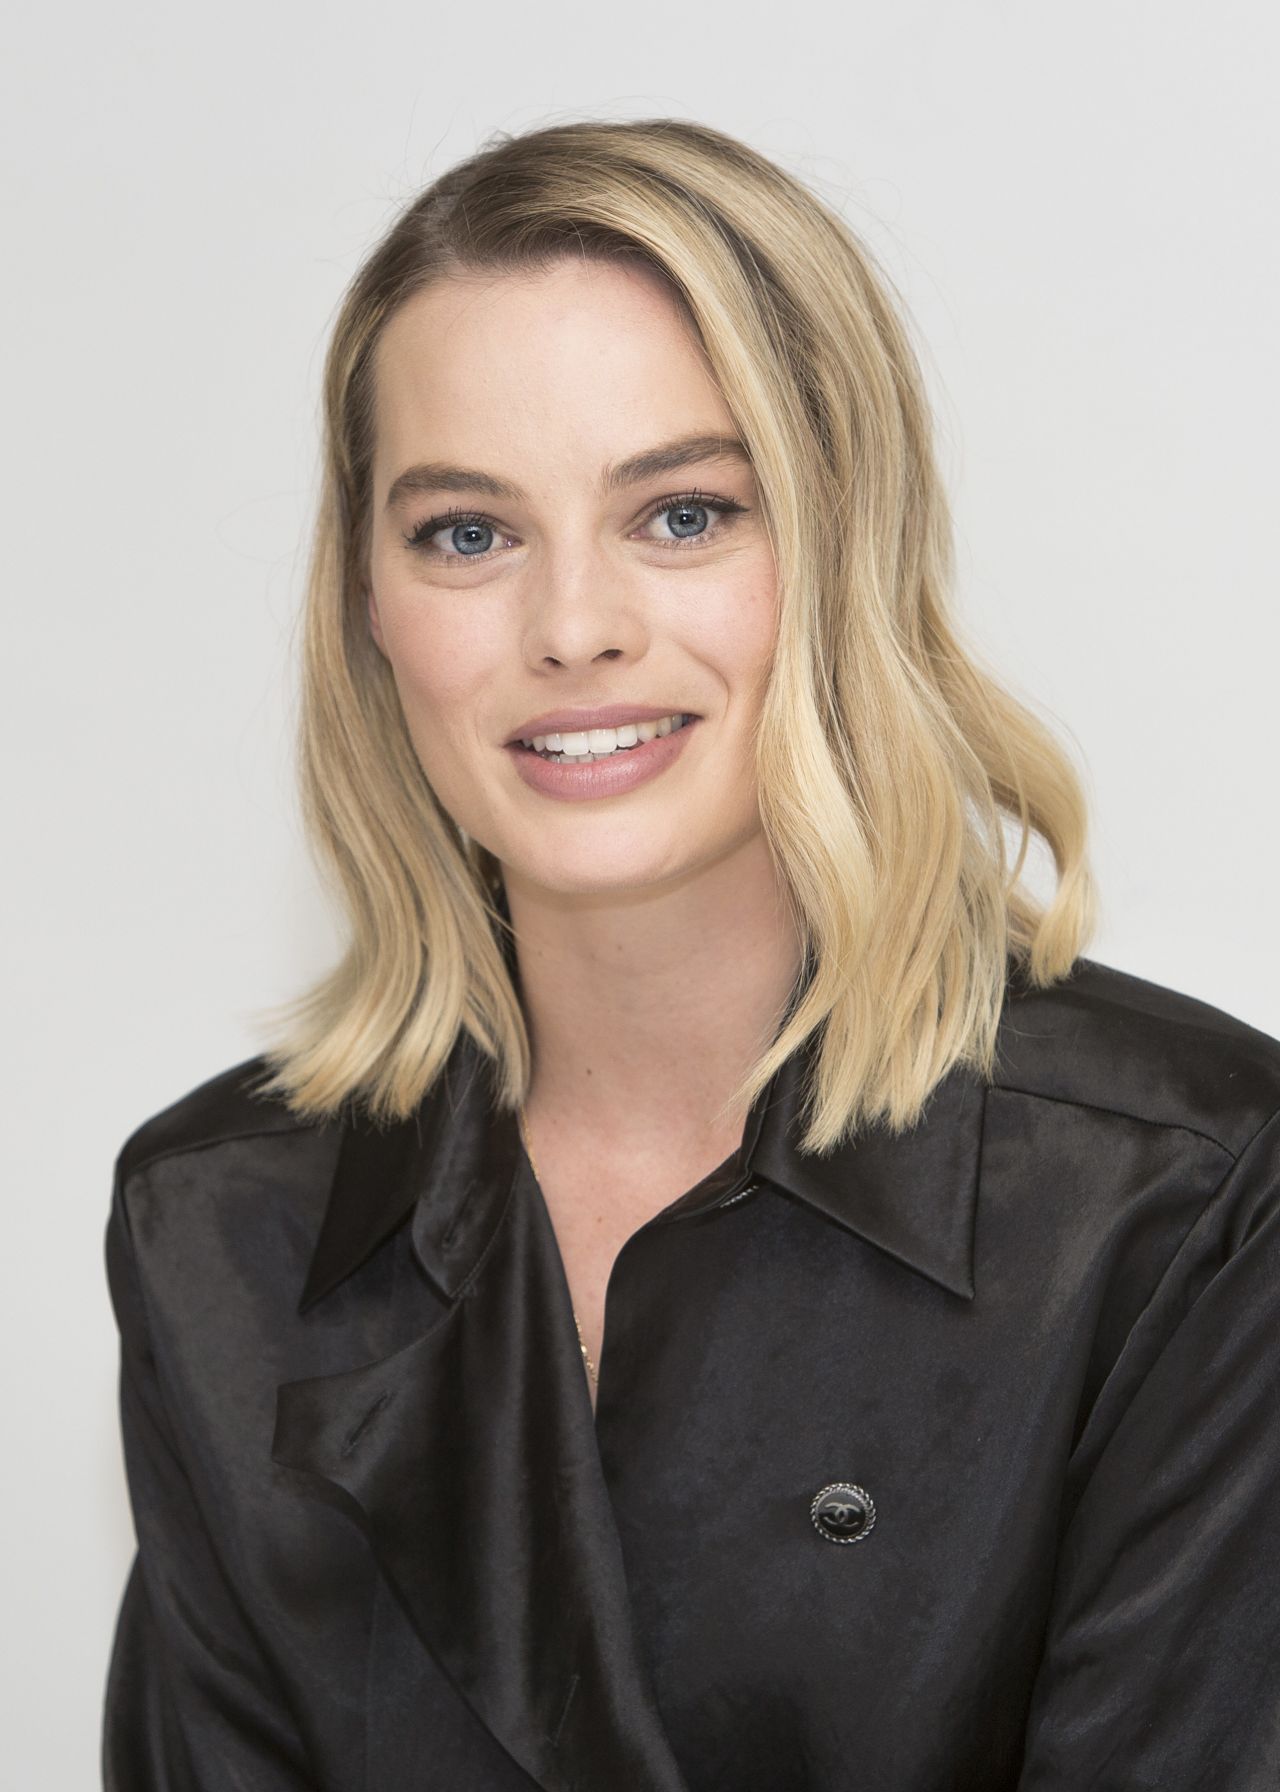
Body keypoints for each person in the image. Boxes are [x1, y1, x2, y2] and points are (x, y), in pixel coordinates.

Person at [102, 117, 1280, 1791]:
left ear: (842, 544)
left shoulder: (1186, 1199)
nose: (573, 627)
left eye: (683, 513)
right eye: (467, 533)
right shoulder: (219, 1227)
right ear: (367, 601)